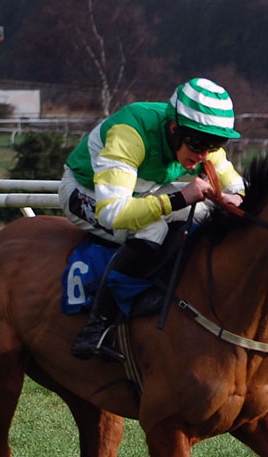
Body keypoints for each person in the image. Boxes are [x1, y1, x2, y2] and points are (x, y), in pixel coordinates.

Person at [59, 77, 245, 362]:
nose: (204, 155)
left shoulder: (200, 141)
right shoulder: (129, 133)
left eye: (215, 145)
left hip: (142, 191)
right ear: (174, 129)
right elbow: (114, 213)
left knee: (208, 212)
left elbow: (237, 187)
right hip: (86, 191)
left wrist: (234, 198)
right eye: (197, 145)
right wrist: (180, 199)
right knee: (153, 227)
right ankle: (97, 327)